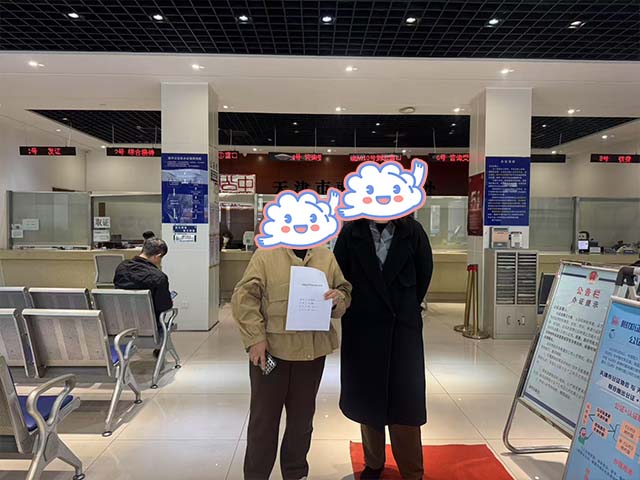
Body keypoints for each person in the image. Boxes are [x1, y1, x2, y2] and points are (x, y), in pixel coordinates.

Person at [232, 247, 351, 480]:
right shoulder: (266, 255)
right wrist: (255, 338)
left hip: (311, 355)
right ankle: (256, 475)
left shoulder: (325, 256)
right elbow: (244, 297)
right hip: (271, 354)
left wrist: (338, 299)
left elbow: (344, 290)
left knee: (302, 422)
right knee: (263, 423)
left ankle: (296, 473)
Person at [334, 216, 433, 480]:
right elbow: (340, 276)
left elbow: (424, 274)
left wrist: (406, 306)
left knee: (405, 403)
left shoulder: (413, 232)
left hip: (401, 329)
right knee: (368, 401)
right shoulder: (351, 233)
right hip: (363, 326)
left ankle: (412, 470)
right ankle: (373, 462)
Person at [114, 237, 173, 325]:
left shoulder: (121, 268)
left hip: (122, 322)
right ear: (157, 256)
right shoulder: (158, 277)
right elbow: (164, 307)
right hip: (149, 325)